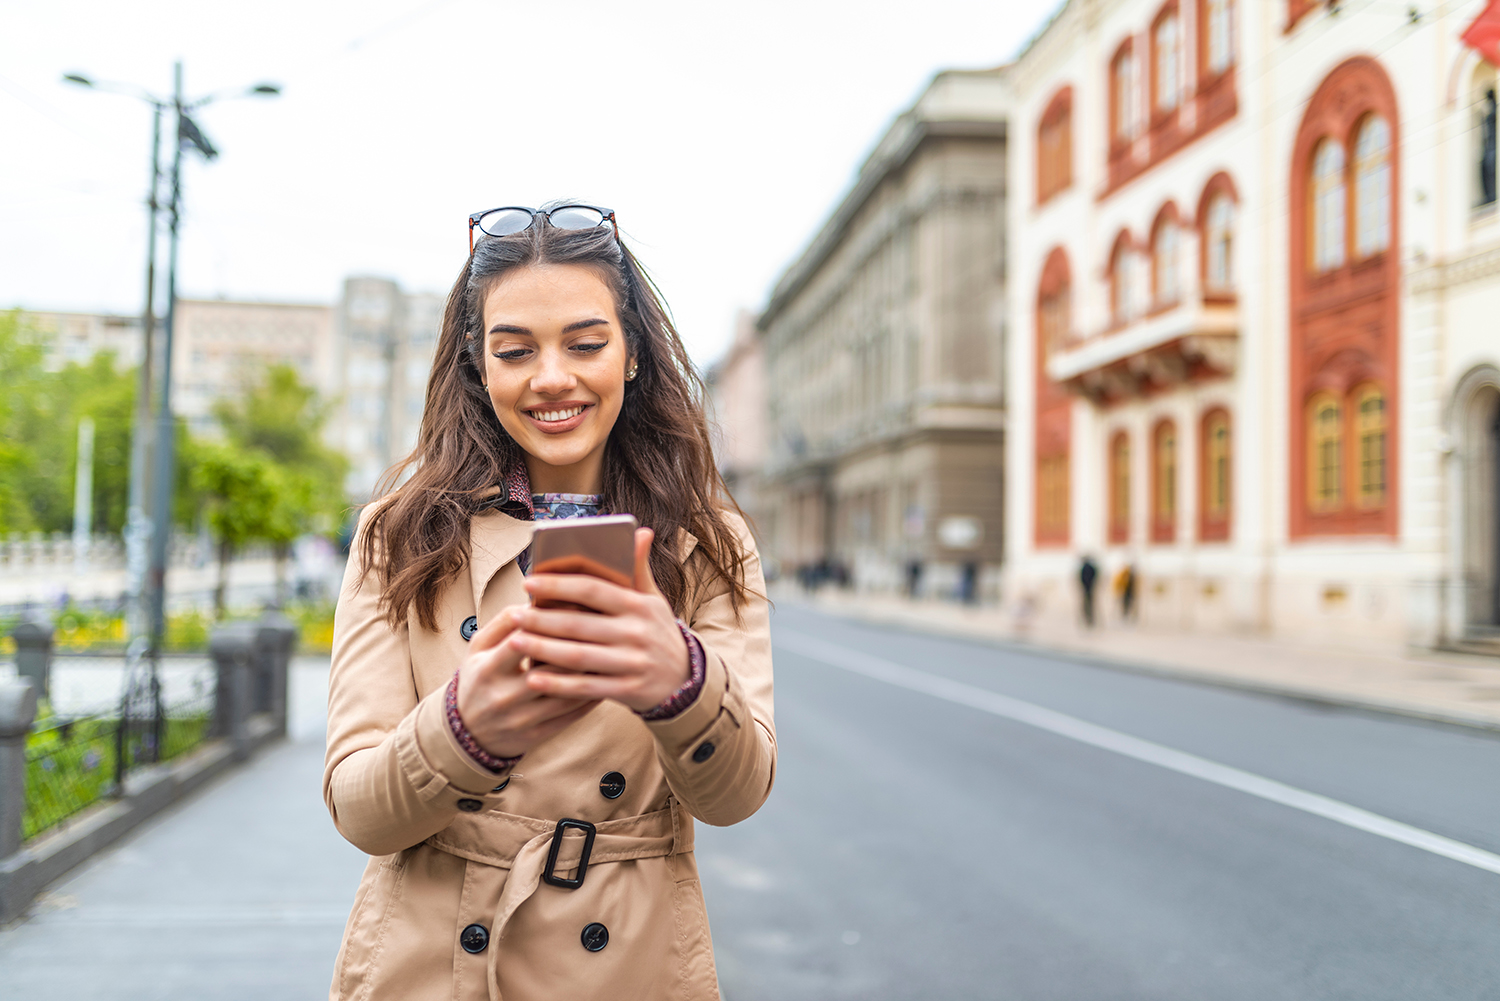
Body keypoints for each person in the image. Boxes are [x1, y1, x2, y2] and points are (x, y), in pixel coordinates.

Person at [322, 203, 774, 1001]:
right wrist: (466, 727)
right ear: (478, 364)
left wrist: (682, 683)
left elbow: (735, 796)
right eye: (515, 350)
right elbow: (360, 811)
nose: (552, 377)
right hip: (435, 963)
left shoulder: (709, 541)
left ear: (631, 354)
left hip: (626, 958)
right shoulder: (401, 535)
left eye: (586, 343)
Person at [1078, 555, 1098, 627]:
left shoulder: (1083, 568)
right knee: (1091, 604)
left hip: (1086, 588)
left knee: (1086, 604)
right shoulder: (1092, 568)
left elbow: (1081, 578)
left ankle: (1088, 618)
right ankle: (1090, 618)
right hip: (1090, 588)